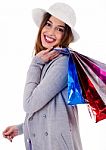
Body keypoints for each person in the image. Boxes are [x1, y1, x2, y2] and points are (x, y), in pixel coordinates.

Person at [2, 2, 83, 150]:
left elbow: (29, 104)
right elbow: (45, 110)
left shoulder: (63, 62)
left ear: (66, 35)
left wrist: (35, 63)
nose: (51, 32)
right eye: (48, 24)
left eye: (59, 29)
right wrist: (21, 128)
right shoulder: (48, 60)